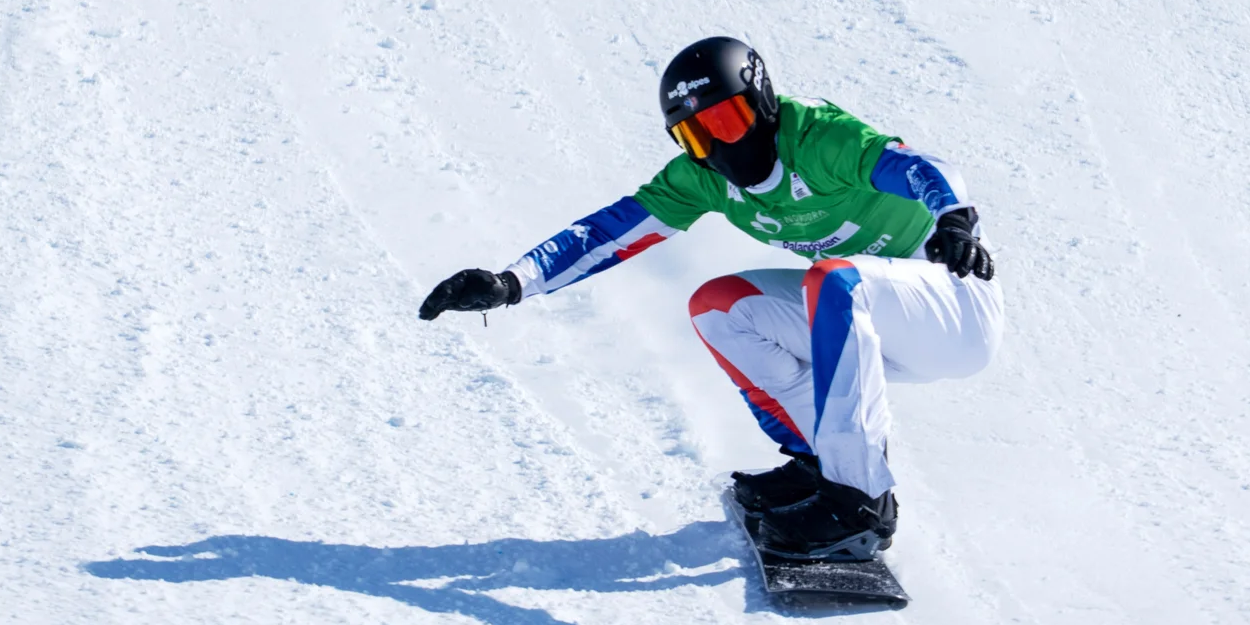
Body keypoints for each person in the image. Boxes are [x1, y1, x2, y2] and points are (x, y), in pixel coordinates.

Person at [417, 36, 1002, 562]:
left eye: (729, 122)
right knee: (720, 305)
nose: (720, 146)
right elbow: (609, 232)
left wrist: (953, 220)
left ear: (764, 103)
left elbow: (921, 166)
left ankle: (861, 503)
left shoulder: (818, 137)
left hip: (949, 306)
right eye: (698, 135)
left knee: (834, 279)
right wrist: (512, 282)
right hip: (863, 318)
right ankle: (822, 464)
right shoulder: (705, 177)